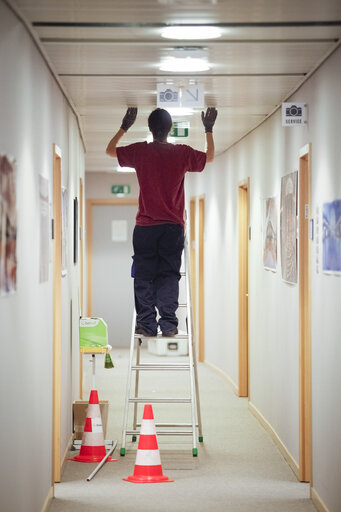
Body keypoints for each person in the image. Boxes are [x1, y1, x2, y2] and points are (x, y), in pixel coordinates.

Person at [106, 106, 217, 337]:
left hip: (145, 227)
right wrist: (208, 129)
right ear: (171, 128)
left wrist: (124, 127)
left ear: (149, 128)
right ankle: (168, 324)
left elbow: (110, 151)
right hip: (172, 227)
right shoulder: (182, 153)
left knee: (144, 275)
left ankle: (146, 324)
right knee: (169, 274)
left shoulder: (141, 152)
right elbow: (210, 157)